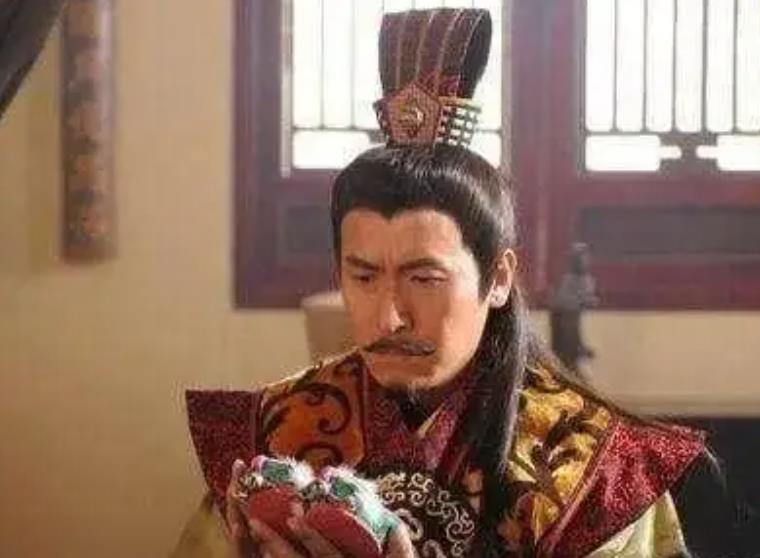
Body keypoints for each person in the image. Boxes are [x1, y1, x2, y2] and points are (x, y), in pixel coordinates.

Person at [172, 8, 707, 557]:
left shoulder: (588, 467)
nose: (389, 317)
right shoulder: (277, 437)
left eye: (424, 278)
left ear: (498, 278)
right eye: (363, 275)